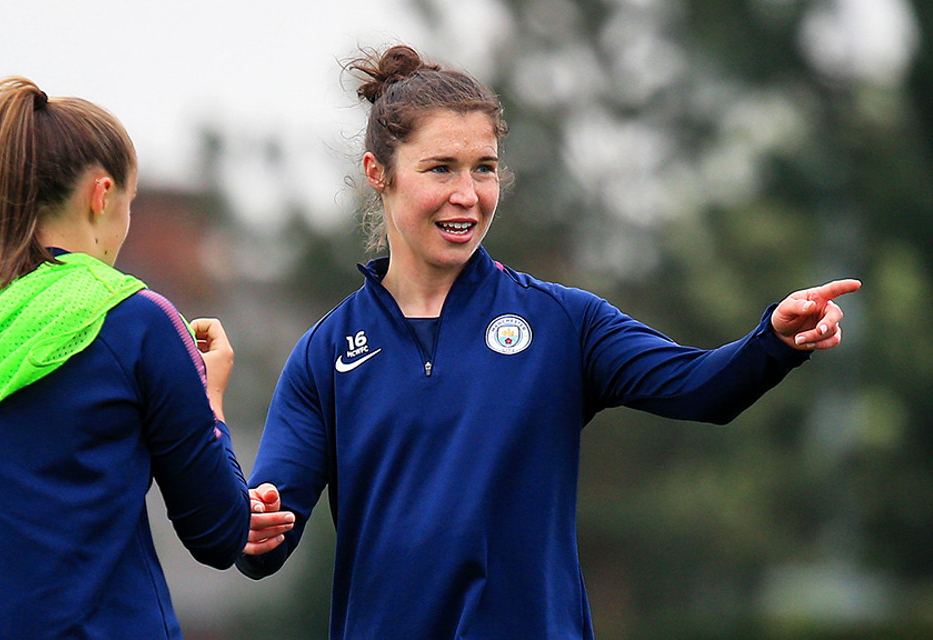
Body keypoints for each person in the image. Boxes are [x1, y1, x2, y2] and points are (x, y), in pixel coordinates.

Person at [236, 45, 861, 639]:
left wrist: (773, 340)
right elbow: (261, 540)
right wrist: (234, 484)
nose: (467, 195)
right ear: (380, 173)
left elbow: (701, 388)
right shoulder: (325, 354)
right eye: (440, 169)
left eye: (483, 169)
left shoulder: (564, 322)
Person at [0, 77, 292, 640]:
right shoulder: (135, 320)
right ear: (102, 196)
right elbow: (219, 533)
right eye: (128, 204)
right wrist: (210, 399)